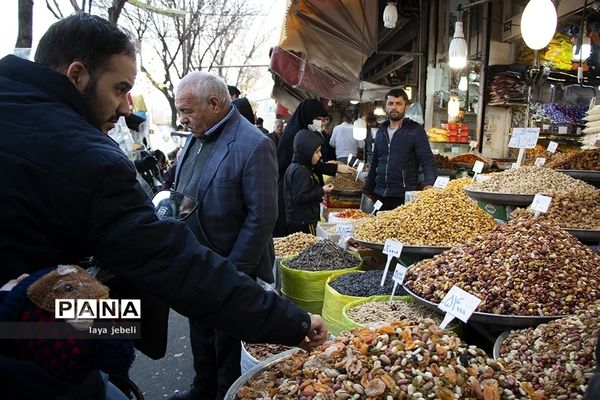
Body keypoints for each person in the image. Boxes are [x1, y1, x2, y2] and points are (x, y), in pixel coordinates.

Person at [0, 13, 327, 399]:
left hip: (24, 314)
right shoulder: (87, 157)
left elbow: (259, 217)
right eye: (120, 88)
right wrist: (293, 321)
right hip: (22, 340)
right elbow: (173, 264)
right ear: (76, 75)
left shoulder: (253, 143)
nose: (125, 107)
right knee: (116, 337)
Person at [169, 71, 279, 400]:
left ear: (215, 103)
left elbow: (263, 215)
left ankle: (223, 393)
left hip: (232, 265)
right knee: (200, 331)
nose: (182, 118)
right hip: (196, 260)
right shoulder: (194, 135)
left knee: (227, 341)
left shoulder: (254, 144)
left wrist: (232, 272)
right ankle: (201, 388)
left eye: (187, 110)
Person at [274, 98, 355, 236]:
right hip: (290, 189)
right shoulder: (295, 137)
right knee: (290, 233)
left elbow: (314, 163)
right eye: (317, 118)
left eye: (322, 119)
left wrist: (338, 169)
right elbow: (308, 164)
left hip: (297, 191)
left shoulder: (305, 134)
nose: (320, 122)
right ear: (307, 116)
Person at [363, 88, 437, 211]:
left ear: (406, 107)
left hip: (403, 195)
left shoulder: (415, 131)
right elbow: (375, 162)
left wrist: (430, 183)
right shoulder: (381, 131)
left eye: (398, 104)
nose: (394, 107)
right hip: (380, 194)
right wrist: (368, 189)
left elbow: (427, 160)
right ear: (385, 107)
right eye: (390, 103)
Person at [284, 129, 334, 234]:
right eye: (316, 152)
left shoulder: (296, 166)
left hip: (298, 219)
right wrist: (322, 190)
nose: (320, 155)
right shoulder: (301, 171)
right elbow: (300, 197)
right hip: (304, 221)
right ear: (307, 152)